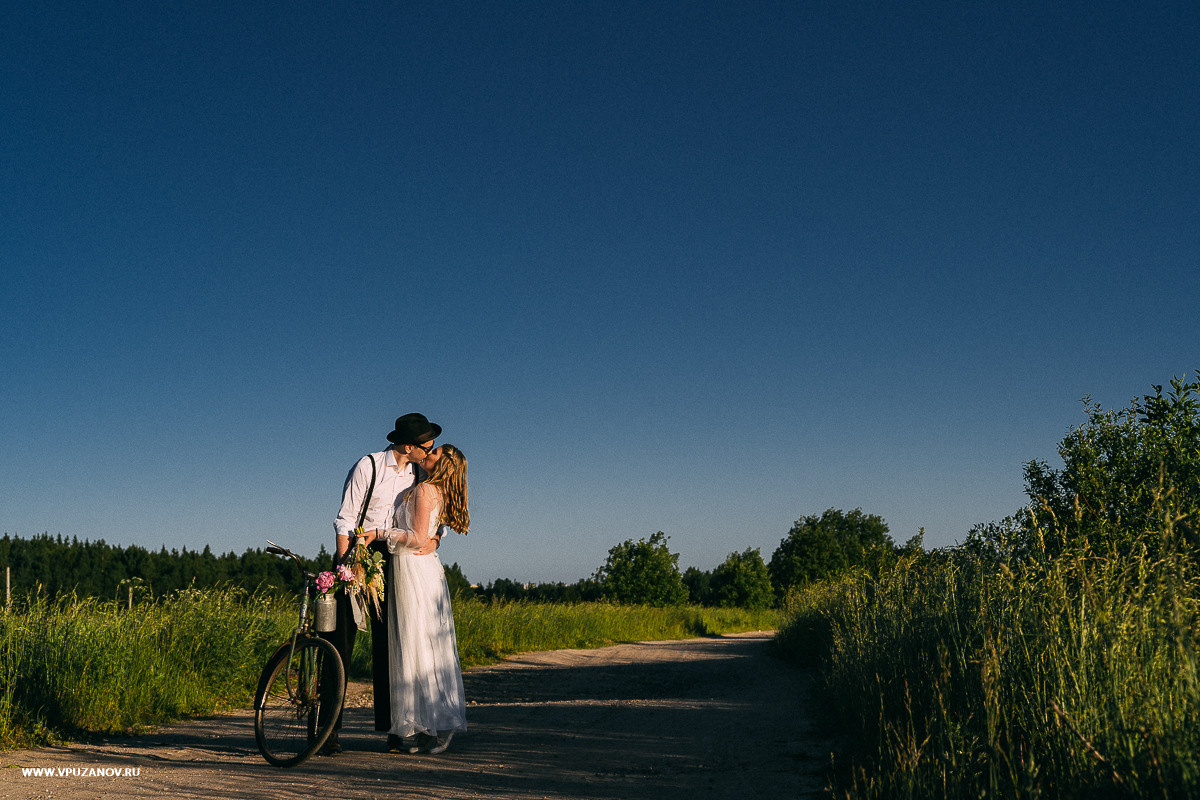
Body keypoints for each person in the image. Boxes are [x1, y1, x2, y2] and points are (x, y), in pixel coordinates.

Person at [320, 412, 442, 756]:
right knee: (339, 642)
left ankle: (396, 729)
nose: (430, 449)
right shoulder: (368, 466)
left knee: (393, 645)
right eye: (425, 445)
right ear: (407, 445)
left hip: (394, 558)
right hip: (356, 553)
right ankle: (327, 731)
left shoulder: (419, 473)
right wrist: (348, 567)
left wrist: (435, 539)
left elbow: (431, 516)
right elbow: (345, 519)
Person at [359, 443, 470, 754]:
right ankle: (425, 724)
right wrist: (434, 538)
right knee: (419, 645)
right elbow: (431, 533)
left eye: (432, 454)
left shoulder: (424, 490)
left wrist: (379, 534)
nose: (426, 456)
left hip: (414, 568)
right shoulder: (434, 490)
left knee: (418, 644)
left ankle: (435, 725)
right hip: (416, 568)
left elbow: (419, 537)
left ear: (441, 464)